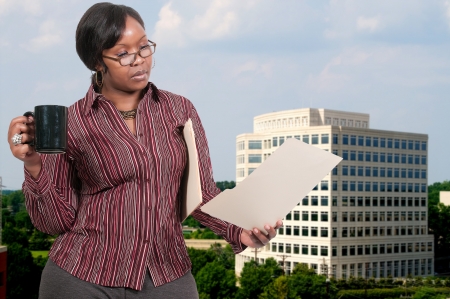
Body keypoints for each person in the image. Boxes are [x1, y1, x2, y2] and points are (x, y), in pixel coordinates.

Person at [7, 2, 282, 298]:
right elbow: (55, 222)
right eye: (123, 54)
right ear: (98, 62)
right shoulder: (71, 122)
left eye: (143, 47)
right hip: (82, 276)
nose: (139, 60)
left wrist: (239, 230)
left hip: (167, 275)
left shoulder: (180, 110)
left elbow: (201, 193)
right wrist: (34, 164)